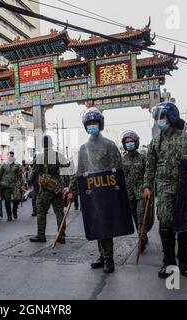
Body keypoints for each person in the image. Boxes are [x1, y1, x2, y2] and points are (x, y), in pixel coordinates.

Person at [143, 102, 187, 278]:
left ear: (172, 117)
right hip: (164, 186)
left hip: (184, 187)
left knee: (184, 224)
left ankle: (183, 261)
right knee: (165, 222)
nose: (160, 121)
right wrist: (147, 185)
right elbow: (150, 166)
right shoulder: (155, 142)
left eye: (162, 117)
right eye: (157, 118)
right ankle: (169, 262)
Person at [66, 108, 122, 273]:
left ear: (100, 124)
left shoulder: (110, 146)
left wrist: (117, 190)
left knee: (105, 225)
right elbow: (79, 171)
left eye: (94, 123)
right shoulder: (84, 149)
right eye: (89, 123)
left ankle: (109, 259)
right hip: (90, 193)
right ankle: (102, 255)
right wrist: (72, 190)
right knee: (96, 224)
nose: (92, 126)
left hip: (107, 192)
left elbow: (118, 169)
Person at [28, 135, 69, 243]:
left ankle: (41, 235)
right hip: (56, 189)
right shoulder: (58, 156)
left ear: (42, 144)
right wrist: (66, 186)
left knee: (41, 212)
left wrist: (27, 183)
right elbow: (68, 169)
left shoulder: (39, 157)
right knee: (59, 212)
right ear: (52, 144)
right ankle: (61, 235)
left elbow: (34, 173)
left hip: (44, 190)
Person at [121, 130, 148, 250]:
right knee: (135, 217)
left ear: (136, 143)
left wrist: (147, 188)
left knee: (141, 215)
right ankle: (142, 234)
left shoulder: (142, 158)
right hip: (129, 194)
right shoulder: (123, 160)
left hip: (141, 192)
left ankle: (141, 239)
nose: (129, 143)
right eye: (127, 142)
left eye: (132, 141)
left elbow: (148, 174)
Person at [0, 151, 23, 221]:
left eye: (12, 156)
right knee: (7, 201)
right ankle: (9, 215)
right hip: (6, 186)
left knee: (16, 200)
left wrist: (20, 184)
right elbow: (0, 175)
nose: (11, 157)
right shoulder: (4, 165)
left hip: (15, 186)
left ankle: (14, 211)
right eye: (10, 156)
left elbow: (20, 176)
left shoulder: (17, 165)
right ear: (7, 157)